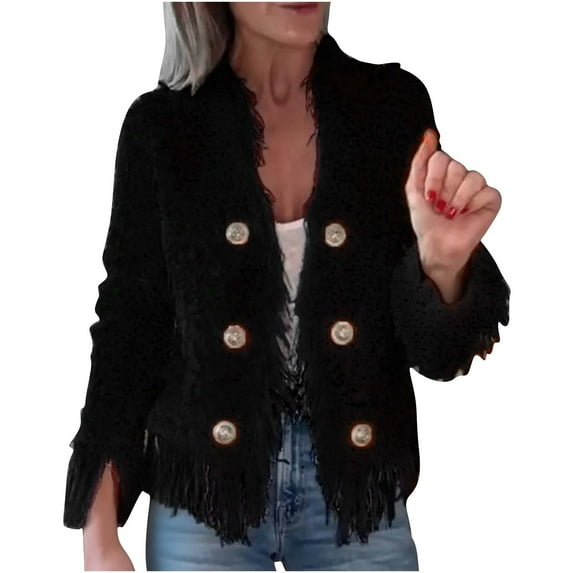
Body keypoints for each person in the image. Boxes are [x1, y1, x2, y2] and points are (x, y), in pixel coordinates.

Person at [63, 2, 511, 571]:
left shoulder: (391, 108)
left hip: (356, 494)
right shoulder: (162, 128)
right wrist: (99, 538)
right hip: (204, 493)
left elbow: (438, 355)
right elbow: (128, 334)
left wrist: (443, 268)